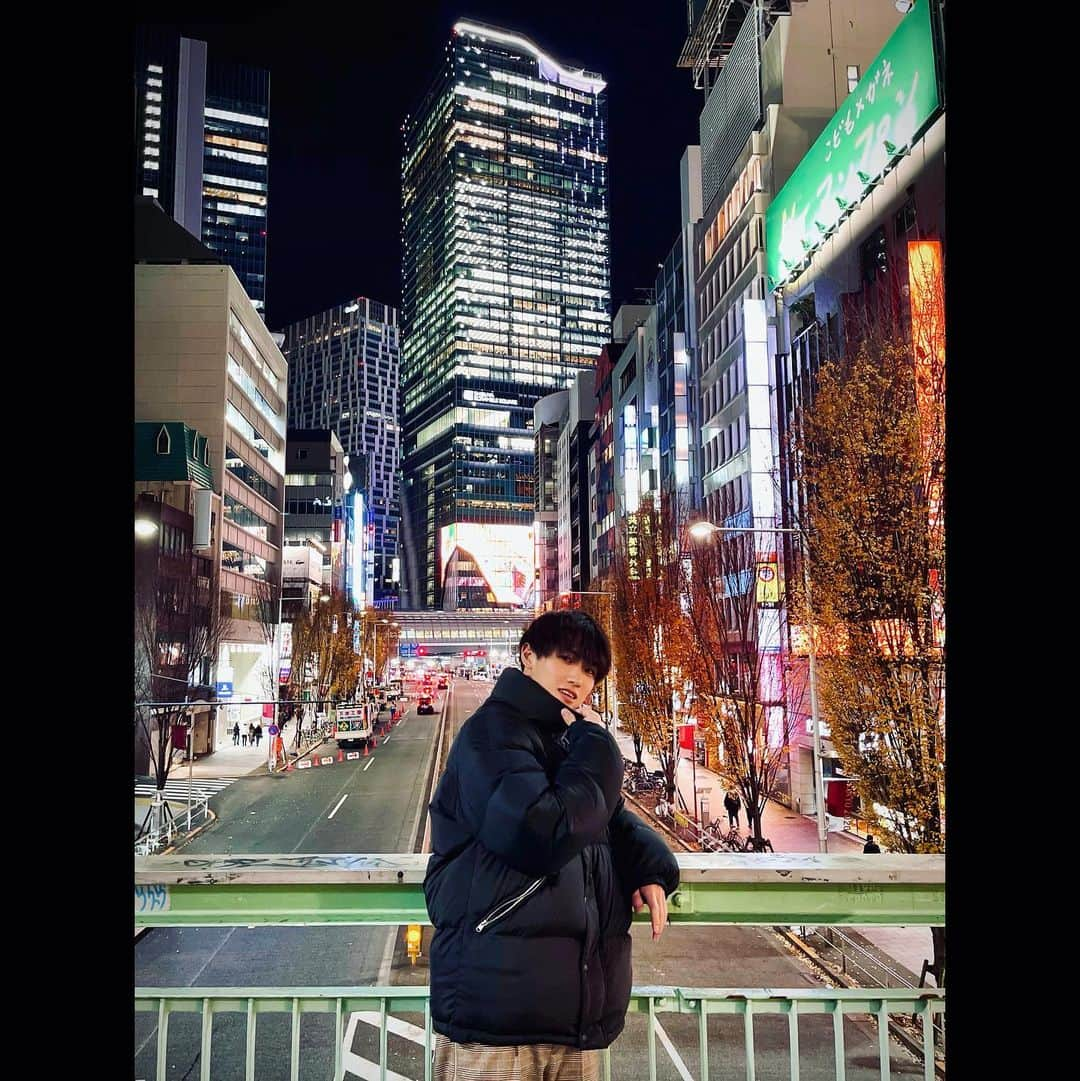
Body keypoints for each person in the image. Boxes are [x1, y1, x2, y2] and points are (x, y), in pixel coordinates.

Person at [424, 610, 680, 1080]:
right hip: (495, 1021)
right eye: (567, 660)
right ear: (528, 655)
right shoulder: (492, 734)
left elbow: (608, 817)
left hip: (575, 1023)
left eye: (590, 672)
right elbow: (540, 833)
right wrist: (600, 746)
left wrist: (650, 866)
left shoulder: (565, 740)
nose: (578, 679)